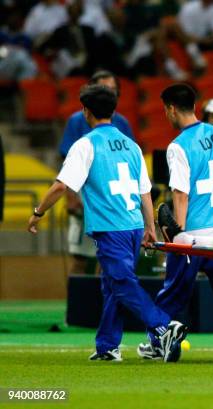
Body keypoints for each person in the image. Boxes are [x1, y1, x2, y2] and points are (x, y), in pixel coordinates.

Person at [27, 84, 186, 362]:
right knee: (112, 285)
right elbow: (144, 192)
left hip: (110, 227)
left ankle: (163, 326)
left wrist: (38, 212)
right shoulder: (131, 145)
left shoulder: (86, 145)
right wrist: (149, 227)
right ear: (113, 111)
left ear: (86, 111)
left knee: (121, 282)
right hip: (134, 226)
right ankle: (107, 347)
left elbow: (61, 187)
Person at [138, 84, 213, 362]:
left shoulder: (178, 146)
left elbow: (180, 193)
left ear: (170, 108)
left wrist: (177, 233)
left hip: (194, 235)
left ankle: (159, 341)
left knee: (172, 292)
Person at [59, 70, 135, 276]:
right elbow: (66, 162)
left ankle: (101, 306)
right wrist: (71, 198)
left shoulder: (123, 124)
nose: (107, 94)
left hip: (113, 204)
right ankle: (77, 307)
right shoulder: (76, 121)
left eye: (111, 90)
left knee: (108, 259)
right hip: (84, 199)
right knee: (79, 258)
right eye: (103, 89)